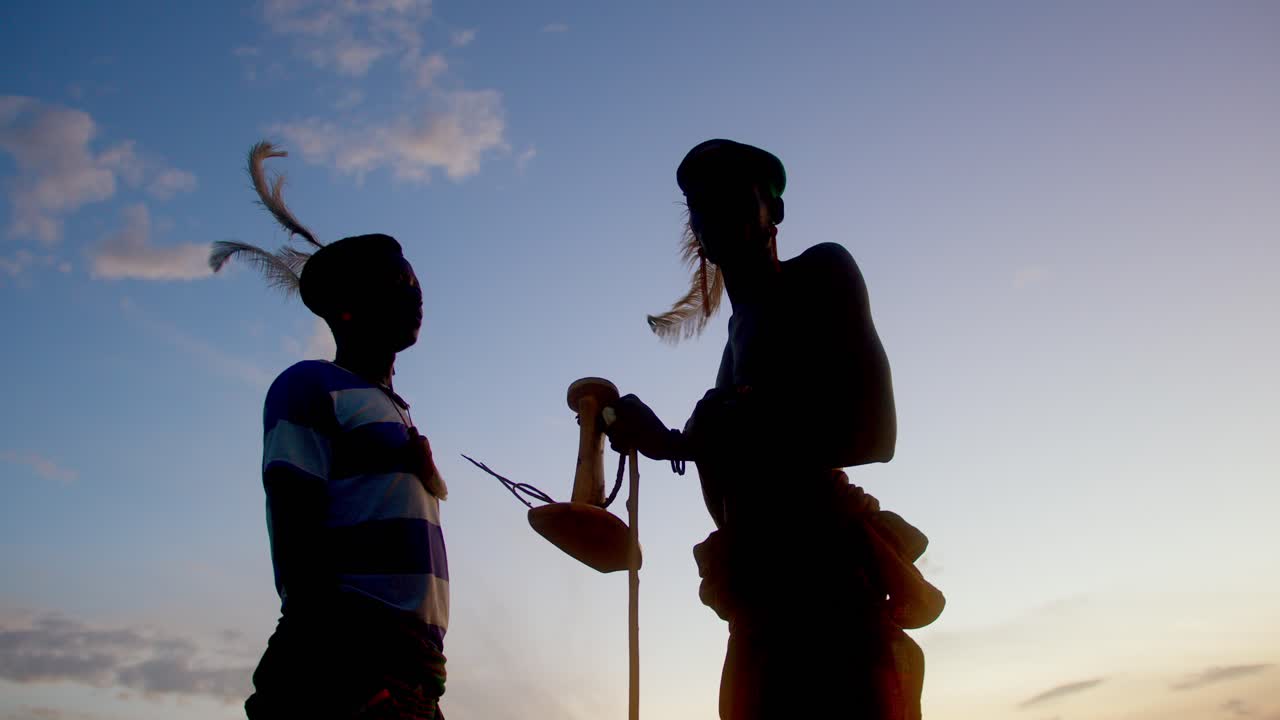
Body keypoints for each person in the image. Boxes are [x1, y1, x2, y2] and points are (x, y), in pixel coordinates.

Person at [605, 139, 942, 719]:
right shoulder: (730, 351)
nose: (713, 210)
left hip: (831, 598)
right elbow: (743, 452)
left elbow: (872, 433)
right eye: (699, 203)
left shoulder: (820, 274)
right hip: (760, 607)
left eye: (734, 194)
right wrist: (668, 444)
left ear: (774, 212)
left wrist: (713, 430)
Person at [211, 143, 449, 719]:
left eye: (413, 282)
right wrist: (353, 677)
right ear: (347, 309)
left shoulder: (396, 411)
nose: (413, 294)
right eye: (394, 283)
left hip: (413, 666)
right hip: (344, 662)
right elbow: (294, 526)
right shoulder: (309, 386)